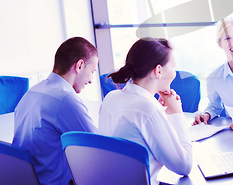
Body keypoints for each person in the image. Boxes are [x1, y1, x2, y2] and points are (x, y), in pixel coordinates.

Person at [98, 37, 192, 184]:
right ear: (158, 71)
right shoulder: (148, 109)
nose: (175, 73)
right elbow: (184, 165)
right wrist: (177, 114)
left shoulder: (111, 98)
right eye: (173, 66)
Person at [13, 37, 98, 185]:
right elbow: (99, 149)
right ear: (80, 65)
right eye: (92, 71)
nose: (91, 80)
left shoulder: (32, 93)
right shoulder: (64, 99)